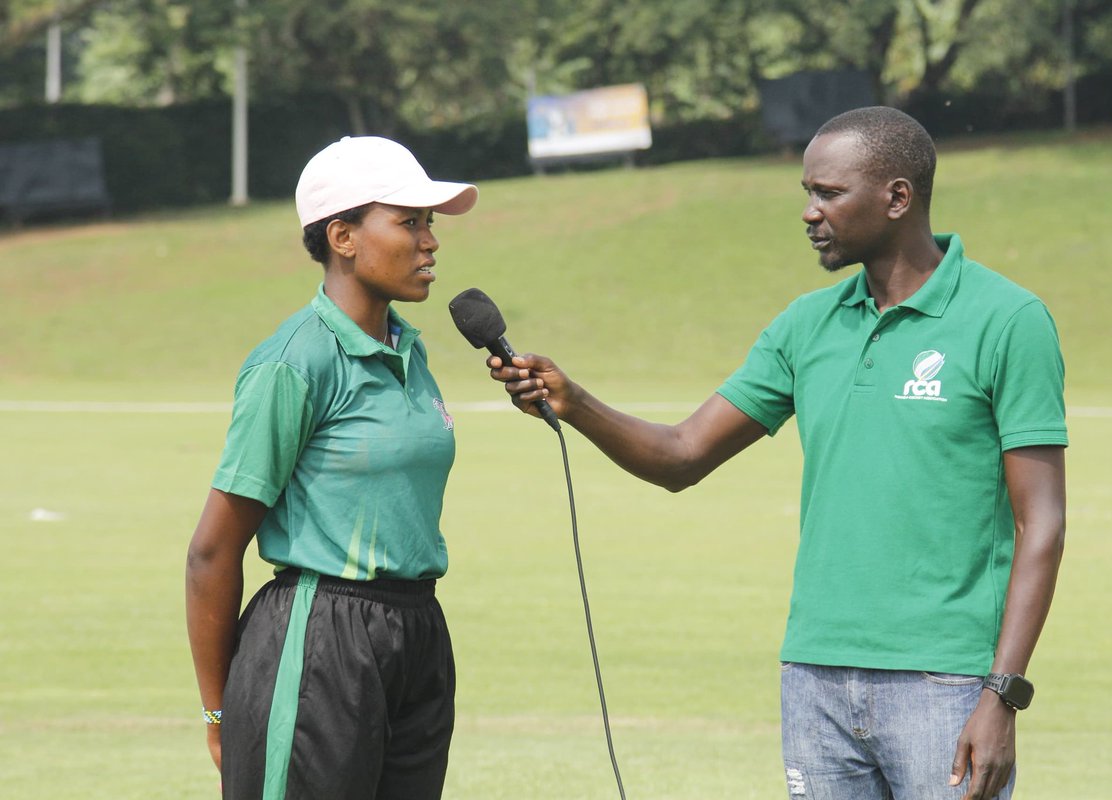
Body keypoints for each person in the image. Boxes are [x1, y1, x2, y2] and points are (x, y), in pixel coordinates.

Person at [487, 106, 1067, 800]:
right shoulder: (805, 326)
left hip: (944, 683)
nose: (809, 212)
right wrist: (575, 402)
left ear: (897, 198)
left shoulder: (1008, 321)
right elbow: (681, 455)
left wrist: (1002, 693)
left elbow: (1043, 524)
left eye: (828, 193)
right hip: (813, 678)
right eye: (807, 193)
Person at [185, 135, 478, 800]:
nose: (430, 241)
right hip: (320, 640)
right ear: (342, 237)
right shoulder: (293, 362)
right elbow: (210, 552)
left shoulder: (410, 350)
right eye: (409, 222)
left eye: (429, 223)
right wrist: (217, 711)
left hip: (418, 634)